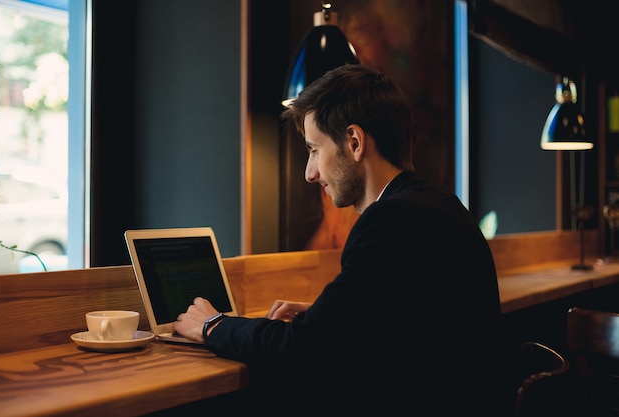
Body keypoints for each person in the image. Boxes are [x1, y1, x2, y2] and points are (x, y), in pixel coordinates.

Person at [174, 64, 507, 414]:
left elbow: (303, 352)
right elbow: (412, 329)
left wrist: (213, 325)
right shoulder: (442, 205)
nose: (309, 172)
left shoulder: (390, 220)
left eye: (314, 150)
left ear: (354, 142)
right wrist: (333, 319)